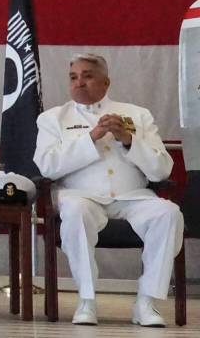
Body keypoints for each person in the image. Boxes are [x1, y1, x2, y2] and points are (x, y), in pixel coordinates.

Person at [34, 53, 183, 327]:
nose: (79, 83)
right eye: (73, 77)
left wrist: (129, 141)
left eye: (87, 76)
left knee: (169, 213)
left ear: (105, 82)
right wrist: (90, 138)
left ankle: (146, 302)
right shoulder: (52, 118)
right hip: (82, 197)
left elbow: (161, 170)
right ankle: (87, 301)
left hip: (133, 197)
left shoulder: (137, 115)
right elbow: (47, 166)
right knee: (76, 211)